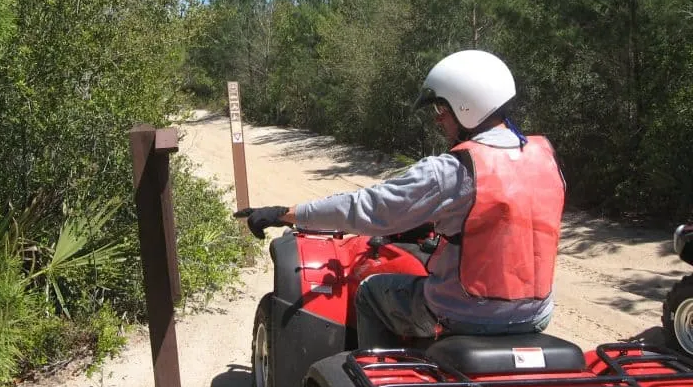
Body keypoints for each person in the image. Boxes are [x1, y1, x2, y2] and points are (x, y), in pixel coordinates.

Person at [234, 49, 566, 349]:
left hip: (465, 312)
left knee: (371, 291)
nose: (438, 118)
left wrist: (284, 213)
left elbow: (364, 209)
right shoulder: (546, 158)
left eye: (442, 108)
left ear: (467, 106)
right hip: (535, 314)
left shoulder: (455, 170)